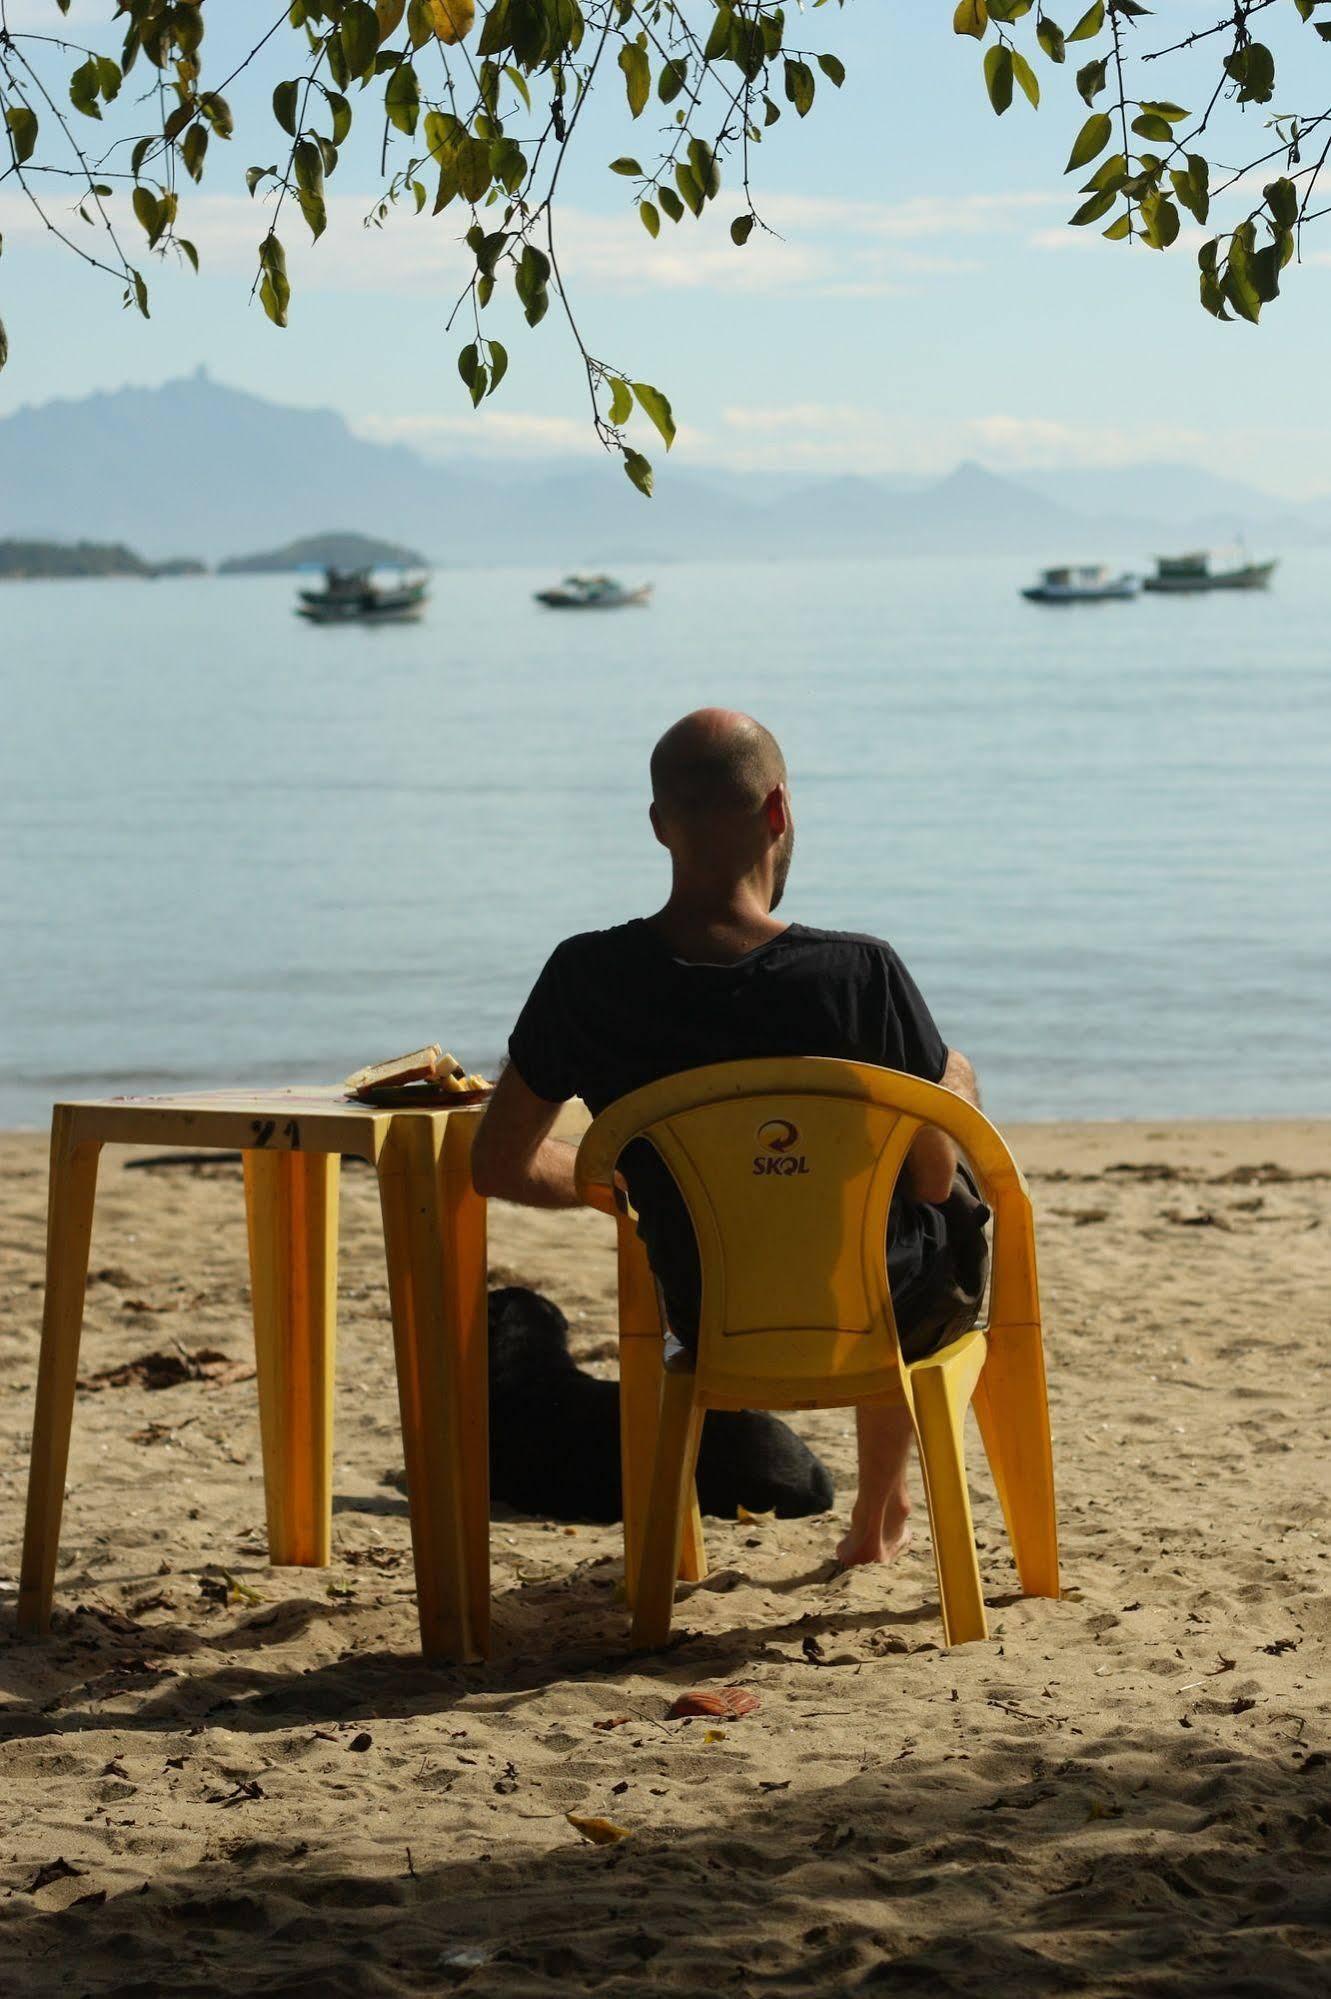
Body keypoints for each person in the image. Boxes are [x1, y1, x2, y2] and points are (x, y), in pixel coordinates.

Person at [471, 708, 988, 1568]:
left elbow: (498, 1161)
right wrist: (955, 1085)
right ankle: (879, 1509)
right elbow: (933, 1181)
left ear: (657, 826)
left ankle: (879, 1504)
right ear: (778, 812)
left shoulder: (583, 977)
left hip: (707, 1311)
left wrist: (624, 1184)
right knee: (920, 1199)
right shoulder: (862, 975)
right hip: (877, 1311)